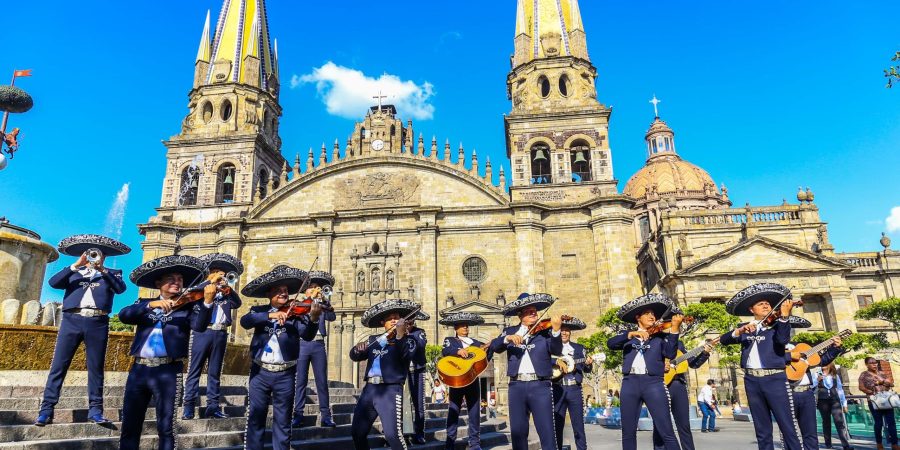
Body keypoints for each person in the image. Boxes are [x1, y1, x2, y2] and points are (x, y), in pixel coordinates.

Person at [118, 255, 214, 450]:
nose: (177, 282)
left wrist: (207, 303)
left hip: (169, 370)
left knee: (166, 425)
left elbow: (200, 326)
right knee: (130, 424)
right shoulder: (144, 303)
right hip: (139, 369)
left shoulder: (189, 307)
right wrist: (149, 305)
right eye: (171, 278)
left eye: (180, 279)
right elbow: (124, 316)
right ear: (158, 283)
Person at [35, 234, 130, 426]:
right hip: (71, 320)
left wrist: (102, 270)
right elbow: (53, 283)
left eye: (99, 254)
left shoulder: (112, 273)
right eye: (91, 254)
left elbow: (120, 289)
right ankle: (46, 410)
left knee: (96, 368)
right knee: (58, 366)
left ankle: (95, 411)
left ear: (104, 257)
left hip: (98, 321)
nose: (95, 257)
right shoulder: (73, 272)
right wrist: (76, 265)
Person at [240, 265, 322, 450]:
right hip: (259, 372)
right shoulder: (258, 310)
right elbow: (245, 321)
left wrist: (314, 319)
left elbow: (307, 335)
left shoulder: (296, 315)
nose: (283, 294)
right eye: (278, 291)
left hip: (285, 374)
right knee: (255, 418)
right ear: (269, 294)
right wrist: (271, 315)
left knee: (283, 422)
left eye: (285, 291)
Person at [720, 282, 802, 450]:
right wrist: (740, 331)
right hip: (752, 380)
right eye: (760, 303)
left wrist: (784, 317)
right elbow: (724, 340)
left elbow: (782, 341)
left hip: (775, 379)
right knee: (762, 430)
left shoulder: (778, 325)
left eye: (768, 303)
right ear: (752, 310)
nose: (765, 305)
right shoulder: (745, 328)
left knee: (787, 426)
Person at [607, 293, 683, 450]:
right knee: (628, 432)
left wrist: (675, 329)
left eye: (653, 314)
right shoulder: (628, 337)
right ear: (638, 317)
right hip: (629, 383)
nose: (652, 316)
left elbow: (670, 354)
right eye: (647, 313)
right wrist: (630, 334)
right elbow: (611, 344)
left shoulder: (661, 337)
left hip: (653, 383)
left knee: (666, 430)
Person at [490, 293, 564, 450]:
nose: (534, 313)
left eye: (535, 311)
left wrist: (556, 331)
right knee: (518, 432)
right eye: (529, 311)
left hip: (540, 385)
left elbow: (556, 349)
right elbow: (495, 347)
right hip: (516, 386)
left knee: (547, 431)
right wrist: (507, 338)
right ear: (520, 314)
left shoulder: (544, 332)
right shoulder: (510, 330)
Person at [350, 299, 420, 450]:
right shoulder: (373, 340)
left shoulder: (409, 340)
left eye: (397, 317)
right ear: (383, 323)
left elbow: (405, 354)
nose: (394, 320)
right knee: (357, 432)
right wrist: (357, 349)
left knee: (393, 435)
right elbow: (354, 356)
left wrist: (401, 335)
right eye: (390, 318)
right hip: (369, 390)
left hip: (390, 390)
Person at [182, 253, 243, 420]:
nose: (220, 276)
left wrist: (227, 288)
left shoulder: (226, 294)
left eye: (222, 274)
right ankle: (188, 406)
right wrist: (211, 281)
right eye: (215, 272)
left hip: (221, 332)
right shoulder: (201, 290)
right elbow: (192, 293)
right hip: (203, 331)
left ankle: (213, 407)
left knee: (215, 372)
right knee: (194, 371)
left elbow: (238, 303)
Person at [653, 306, 714, 450]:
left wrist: (705, 352)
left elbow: (693, 363)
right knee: (659, 425)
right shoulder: (654, 340)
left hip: (678, 385)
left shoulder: (679, 343)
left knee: (684, 425)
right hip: (660, 385)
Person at [784, 317, 844, 450]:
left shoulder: (801, 345)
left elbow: (821, 361)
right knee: (789, 433)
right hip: (786, 392)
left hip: (806, 393)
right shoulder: (772, 347)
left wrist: (836, 348)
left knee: (810, 432)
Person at [440, 312, 493, 450]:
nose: (465, 328)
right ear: (456, 328)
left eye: (466, 326)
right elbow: (446, 351)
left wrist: (490, 348)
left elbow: (484, 358)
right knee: (453, 411)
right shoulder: (450, 340)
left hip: (472, 380)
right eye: (462, 326)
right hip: (457, 380)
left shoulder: (475, 343)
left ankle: (475, 443)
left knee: (474, 412)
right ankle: (450, 442)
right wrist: (458, 351)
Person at [292, 270, 338, 428]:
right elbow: (298, 313)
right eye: (311, 287)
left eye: (317, 287)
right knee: (300, 381)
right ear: (306, 290)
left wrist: (325, 300)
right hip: (303, 344)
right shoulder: (300, 303)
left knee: (321, 381)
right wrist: (310, 300)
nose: (315, 289)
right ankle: (298, 414)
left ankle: (326, 416)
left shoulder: (322, 304)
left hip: (318, 344)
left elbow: (332, 317)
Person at [553, 316, 593, 450]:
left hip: (574, 388)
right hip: (557, 388)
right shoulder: (552, 348)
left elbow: (586, 369)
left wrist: (588, 364)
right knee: (557, 425)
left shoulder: (579, 348)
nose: (564, 333)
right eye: (562, 330)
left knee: (579, 426)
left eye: (567, 330)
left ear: (570, 332)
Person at [858, 357, 900, 450]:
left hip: (887, 400)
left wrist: (882, 381)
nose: (874, 364)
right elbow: (861, 387)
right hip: (874, 401)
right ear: (866, 365)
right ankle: (879, 443)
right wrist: (871, 392)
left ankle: (894, 444)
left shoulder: (882, 373)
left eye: (875, 362)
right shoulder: (864, 375)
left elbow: (891, 384)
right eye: (871, 363)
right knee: (878, 423)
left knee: (891, 423)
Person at [407, 311, 430, 444]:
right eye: (407, 321)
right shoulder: (396, 333)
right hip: (401, 372)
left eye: (411, 321)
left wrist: (407, 335)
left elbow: (421, 345)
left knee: (419, 405)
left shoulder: (419, 332)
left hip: (417, 371)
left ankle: (419, 433)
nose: (409, 324)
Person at [817, 362, 853, 450]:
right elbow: (812, 387)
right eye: (822, 363)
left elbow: (840, 390)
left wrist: (844, 404)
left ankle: (845, 445)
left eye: (826, 363)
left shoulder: (835, 376)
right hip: (823, 401)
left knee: (839, 421)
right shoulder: (817, 375)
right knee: (826, 422)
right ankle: (828, 444)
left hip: (835, 401)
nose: (823, 365)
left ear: (830, 365)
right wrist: (817, 380)